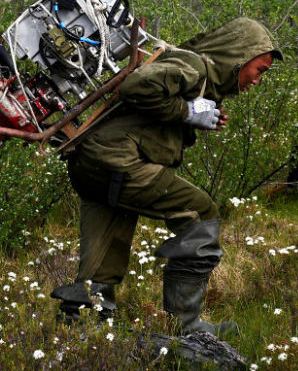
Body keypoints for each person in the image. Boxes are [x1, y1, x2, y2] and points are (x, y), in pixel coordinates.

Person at [50, 17, 281, 337]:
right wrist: (186, 112)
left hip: (93, 162)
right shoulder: (194, 67)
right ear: (239, 56)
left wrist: (193, 117)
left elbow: (154, 107)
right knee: (200, 212)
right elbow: (136, 87)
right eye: (260, 70)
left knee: (104, 252)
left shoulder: (198, 76)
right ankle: (186, 326)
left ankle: (80, 329)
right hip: (114, 161)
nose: (257, 80)